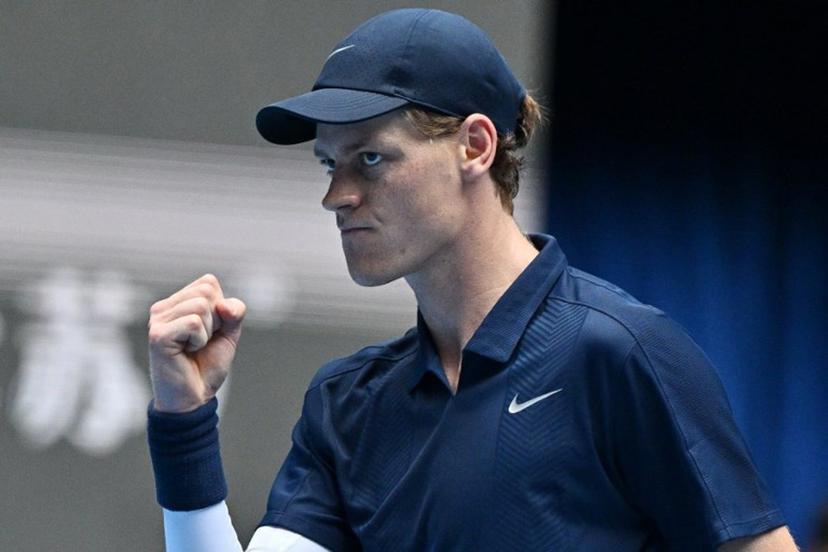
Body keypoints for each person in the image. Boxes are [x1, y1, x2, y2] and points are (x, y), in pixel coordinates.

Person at [146, 8, 798, 551]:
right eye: (329, 165)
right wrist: (184, 420)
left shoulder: (624, 352)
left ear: (476, 147)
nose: (337, 196)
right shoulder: (347, 404)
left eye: (370, 159)